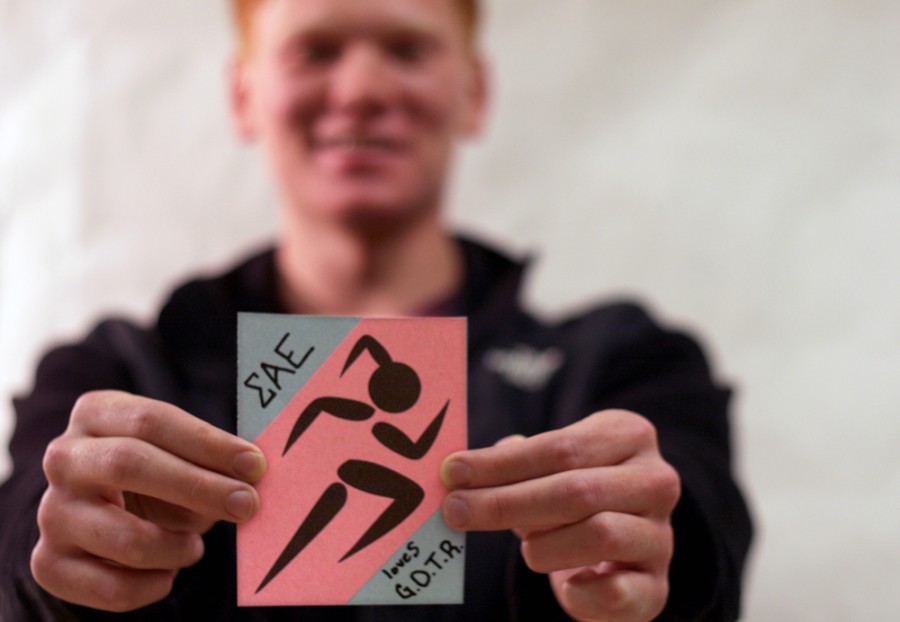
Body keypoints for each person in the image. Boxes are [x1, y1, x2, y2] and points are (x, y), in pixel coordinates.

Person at [0, 0, 752, 620]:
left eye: (407, 48)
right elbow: (20, 552)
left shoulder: (623, 365)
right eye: (316, 50)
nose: (360, 88)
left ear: (474, 94)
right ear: (243, 96)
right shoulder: (116, 374)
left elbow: (704, 538)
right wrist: (59, 566)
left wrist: (662, 560)